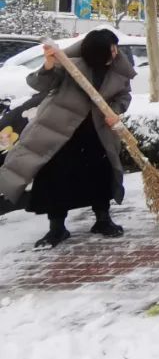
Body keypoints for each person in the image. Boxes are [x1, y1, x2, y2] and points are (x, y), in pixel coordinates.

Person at [0, 29, 132, 246]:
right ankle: (57, 228)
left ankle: (103, 219)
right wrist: (49, 64)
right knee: (57, 178)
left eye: (115, 48)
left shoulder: (119, 67)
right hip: (61, 130)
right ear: (96, 53)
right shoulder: (69, 63)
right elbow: (41, 84)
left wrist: (115, 110)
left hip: (97, 131)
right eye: (110, 49)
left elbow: (124, 95)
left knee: (101, 174)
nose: (115, 53)